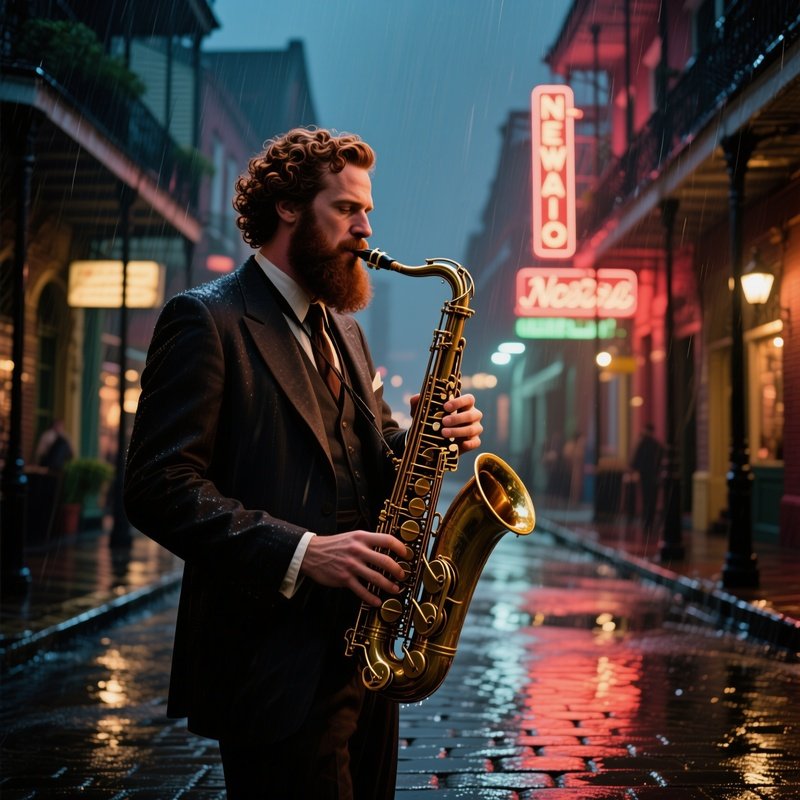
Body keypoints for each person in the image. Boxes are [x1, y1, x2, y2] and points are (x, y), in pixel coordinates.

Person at [123, 127, 483, 799]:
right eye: (346, 209)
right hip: (272, 667)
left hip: (364, 657)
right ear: (288, 208)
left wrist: (429, 438)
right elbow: (156, 486)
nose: (365, 227)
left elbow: (367, 459)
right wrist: (301, 552)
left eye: (366, 210)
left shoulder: (343, 329)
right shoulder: (206, 321)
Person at [630, 423, 664, 531]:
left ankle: (646, 521)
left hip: (645, 476)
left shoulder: (642, 444)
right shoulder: (657, 445)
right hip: (654, 476)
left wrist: (636, 469)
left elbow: (635, 461)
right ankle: (650, 520)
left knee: (646, 498)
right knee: (652, 499)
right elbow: (660, 461)